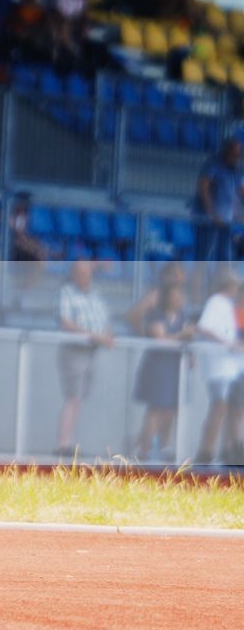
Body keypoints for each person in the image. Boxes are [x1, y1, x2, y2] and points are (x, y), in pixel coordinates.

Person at [128, 263, 193, 462]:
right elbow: (159, 337)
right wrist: (183, 334)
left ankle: (163, 447)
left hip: (174, 368)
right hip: (158, 368)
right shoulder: (156, 309)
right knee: (155, 409)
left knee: (171, 409)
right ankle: (143, 450)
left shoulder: (181, 314)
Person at [54, 259, 114, 457]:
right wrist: (92, 335)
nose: (84, 276)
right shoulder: (67, 293)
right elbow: (66, 322)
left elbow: (102, 321)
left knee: (80, 397)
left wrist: (105, 334)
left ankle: (69, 441)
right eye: (80, 272)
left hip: (91, 352)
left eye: (87, 272)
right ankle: (63, 444)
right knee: (73, 397)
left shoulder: (95, 295)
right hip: (74, 350)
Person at [192, 270, 242, 466]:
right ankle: (205, 452)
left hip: (231, 369)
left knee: (232, 409)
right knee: (219, 407)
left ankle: (230, 451)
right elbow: (204, 327)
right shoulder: (216, 302)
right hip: (219, 367)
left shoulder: (228, 306)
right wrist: (227, 343)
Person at [193, 138, 242, 265]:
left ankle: (222, 284)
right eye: (235, 153)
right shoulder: (213, 165)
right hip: (208, 220)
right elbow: (203, 188)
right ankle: (196, 284)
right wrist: (212, 213)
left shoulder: (234, 171)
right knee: (204, 257)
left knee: (225, 257)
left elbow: (240, 191)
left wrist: (238, 214)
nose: (238, 157)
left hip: (226, 221)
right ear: (226, 151)